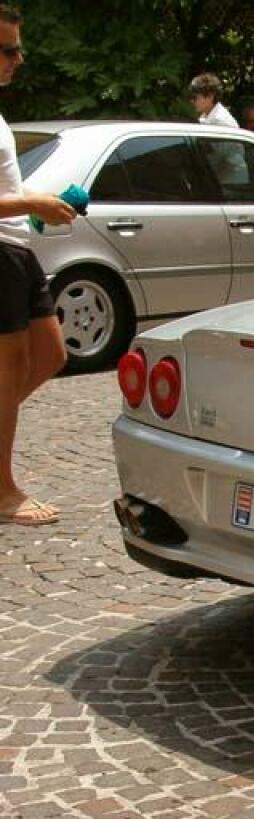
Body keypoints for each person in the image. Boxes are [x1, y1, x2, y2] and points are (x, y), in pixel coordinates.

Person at [0, 5, 77, 526]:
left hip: (17, 248)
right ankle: (3, 493)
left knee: (50, 354)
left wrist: (38, 200)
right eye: (7, 49)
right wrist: (34, 204)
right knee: (5, 376)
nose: (19, 59)